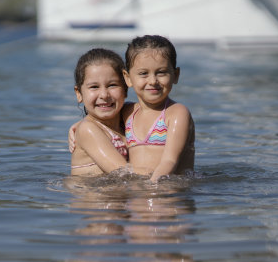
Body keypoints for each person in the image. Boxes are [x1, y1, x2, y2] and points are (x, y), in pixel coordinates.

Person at [122, 35, 195, 183]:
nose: (153, 81)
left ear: (175, 75)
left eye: (161, 72)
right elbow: (102, 123)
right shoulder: (127, 112)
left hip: (170, 192)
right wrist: (79, 125)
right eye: (143, 73)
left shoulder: (176, 113)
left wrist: (150, 186)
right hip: (140, 194)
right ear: (128, 77)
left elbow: (169, 162)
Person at [69, 48, 132, 176]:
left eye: (112, 85)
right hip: (95, 195)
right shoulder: (87, 130)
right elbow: (123, 173)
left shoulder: (129, 117)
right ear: (79, 93)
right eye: (94, 87)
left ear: (125, 88)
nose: (104, 95)